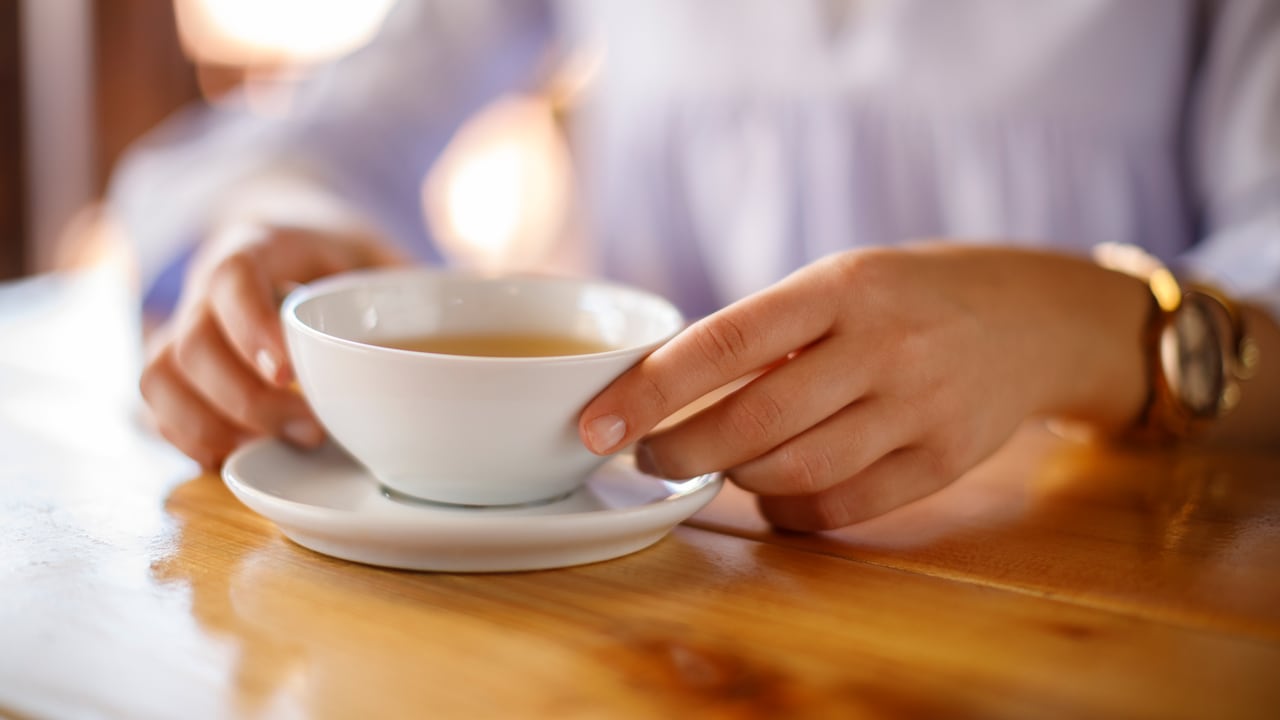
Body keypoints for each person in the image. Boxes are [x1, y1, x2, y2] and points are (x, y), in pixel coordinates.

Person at [113, 0, 1280, 531]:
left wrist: (1073, 328)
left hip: (1096, 581)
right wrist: (274, 239)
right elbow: (307, 137)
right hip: (657, 601)